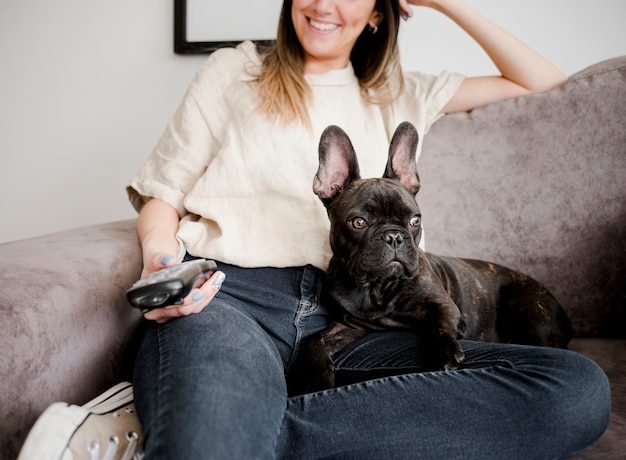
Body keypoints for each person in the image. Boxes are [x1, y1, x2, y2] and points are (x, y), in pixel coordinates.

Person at [127, 0, 610, 458]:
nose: (322, 5)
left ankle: (256, 432)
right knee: (206, 439)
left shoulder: (400, 91)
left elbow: (547, 84)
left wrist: (442, 2)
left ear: (379, 10)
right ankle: (249, 431)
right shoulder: (234, 70)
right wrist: (161, 261)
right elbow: (161, 196)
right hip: (235, 302)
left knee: (577, 390)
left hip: (365, 320)